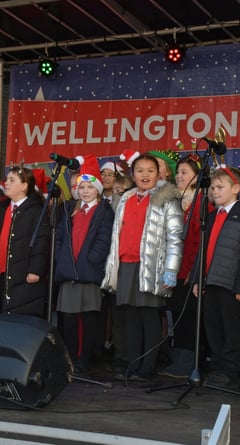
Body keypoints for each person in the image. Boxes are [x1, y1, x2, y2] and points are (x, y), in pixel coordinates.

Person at [102, 153, 183, 381]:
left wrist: (171, 269)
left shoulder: (166, 198)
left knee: (149, 318)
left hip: (151, 266)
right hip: (126, 265)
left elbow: (175, 237)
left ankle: (148, 366)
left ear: (158, 174)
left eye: (150, 170)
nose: (145, 175)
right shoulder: (126, 198)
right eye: (140, 170)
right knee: (130, 318)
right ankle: (133, 363)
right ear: (132, 174)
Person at [191, 167, 240, 389]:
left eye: (220, 187)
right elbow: (202, 251)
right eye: (212, 187)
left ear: (236, 189)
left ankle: (231, 368)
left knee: (231, 327)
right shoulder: (211, 216)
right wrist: (197, 279)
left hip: (231, 284)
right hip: (210, 281)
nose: (215, 191)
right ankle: (218, 364)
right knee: (213, 326)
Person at [54, 155, 114, 375]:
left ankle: (84, 359)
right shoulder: (70, 209)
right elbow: (60, 237)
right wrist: (63, 259)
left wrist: (89, 260)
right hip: (69, 272)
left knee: (88, 318)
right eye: (81, 187)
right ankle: (70, 357)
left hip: (88, 273)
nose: (85, 191)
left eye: (90, 186)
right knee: (68, 319)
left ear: (97, 189)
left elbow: (104, 240)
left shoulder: (104, 211)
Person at [161, 154, 213, 378]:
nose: (180, 176)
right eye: (179, 172)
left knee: (191, 317)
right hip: (174, 270)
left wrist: (194, 272)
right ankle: (179, 360)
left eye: (185, 173)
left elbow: (200, 242)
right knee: (177, 316)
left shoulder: (203, 204)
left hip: (190, 271)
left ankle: (191, 362)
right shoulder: (174, 201)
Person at [0, 166, 50, 316]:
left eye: (12, 180)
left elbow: (41, 242)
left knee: (18, 316)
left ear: (24, 186)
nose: (6, 183)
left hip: (23, 273)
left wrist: (35, 270)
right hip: (0, 273)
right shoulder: (1, 208)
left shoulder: (35, 210)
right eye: (7, 179)